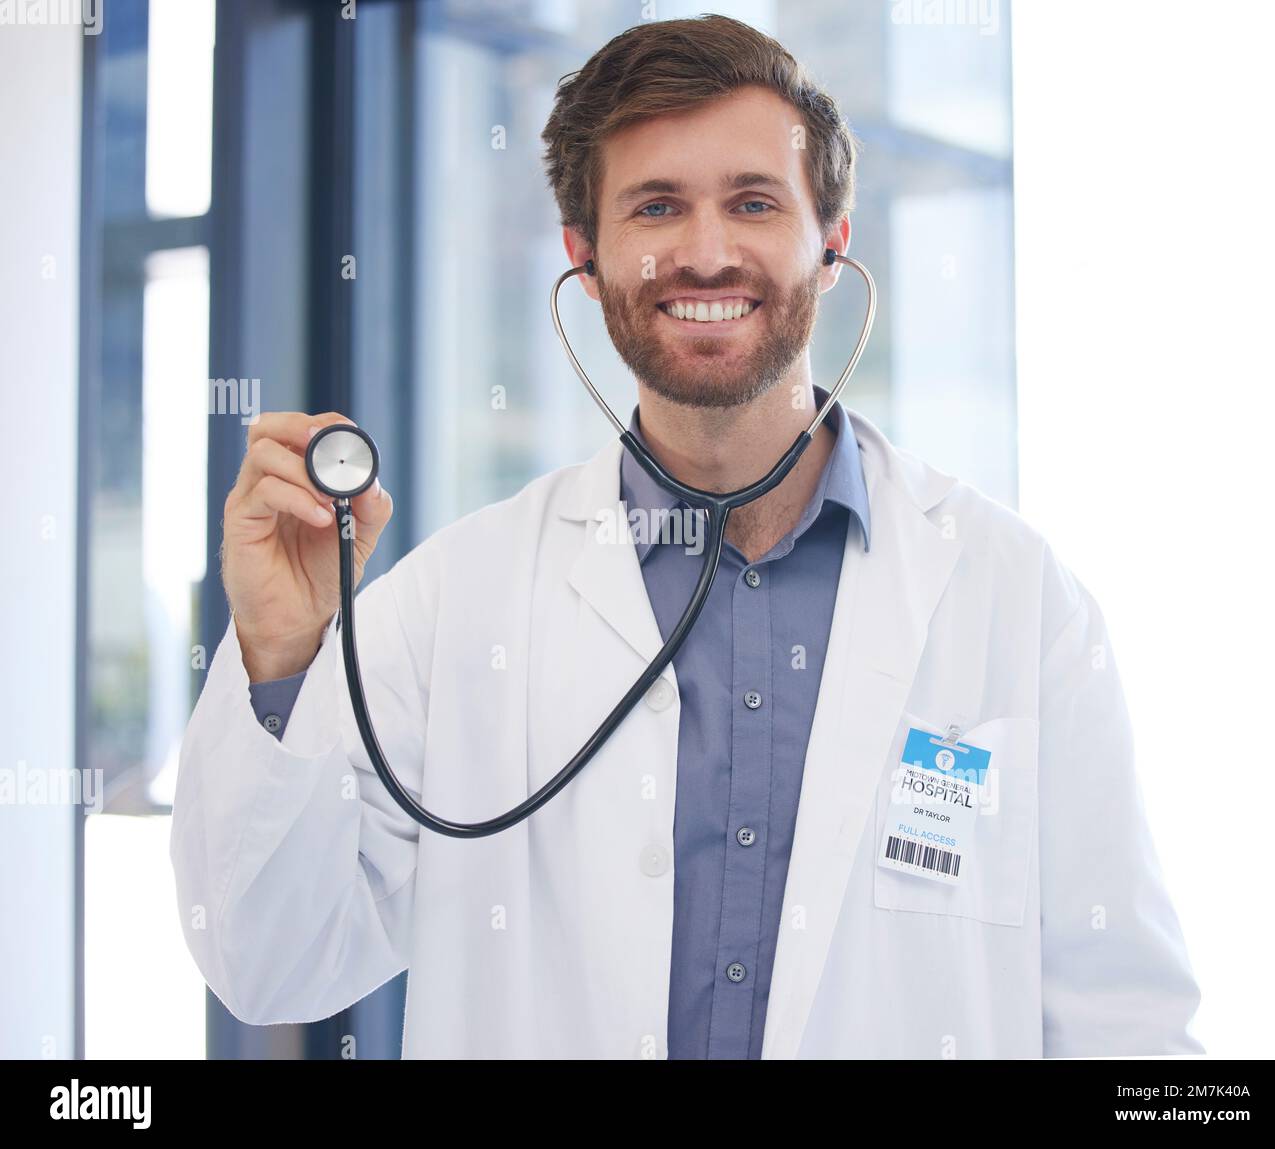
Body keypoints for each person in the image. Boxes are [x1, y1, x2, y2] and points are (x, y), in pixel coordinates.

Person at [170, 14, 1203, 1059]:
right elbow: (272, 963)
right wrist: (282, 655)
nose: (706, 253)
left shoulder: (1016, 600)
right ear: (585, 254)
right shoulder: (457, 605)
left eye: (753, 203)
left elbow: (1129, 1027)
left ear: (831, 241)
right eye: (656, 206)